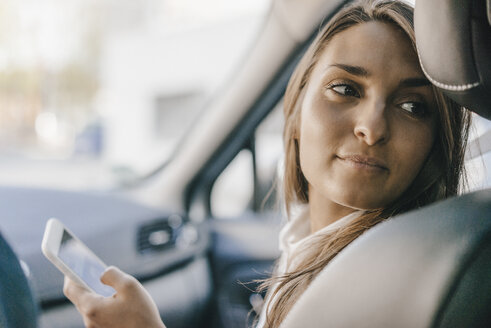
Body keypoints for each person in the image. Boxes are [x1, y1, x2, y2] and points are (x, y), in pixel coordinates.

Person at [63, 0, 471, 327]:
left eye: (413, 106)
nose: (372, 126)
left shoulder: (381, 287)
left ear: (435, 144)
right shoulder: (309, 246)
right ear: (295, 115)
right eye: (345, 89)